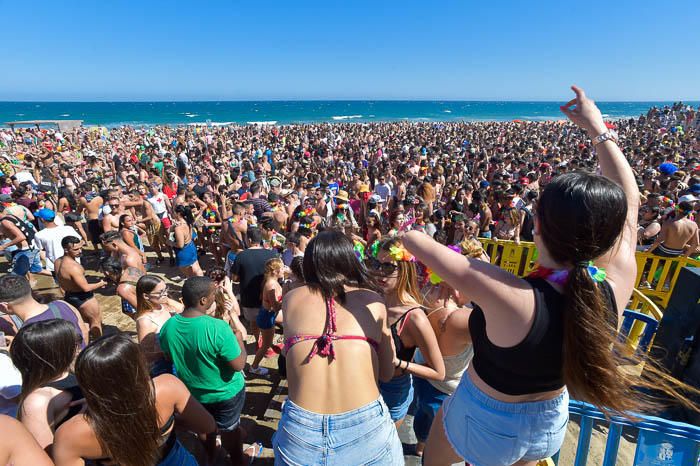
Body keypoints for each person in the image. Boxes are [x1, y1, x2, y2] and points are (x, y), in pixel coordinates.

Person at [402, 86, 650, 466]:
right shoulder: (614, 279)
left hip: (487, 417)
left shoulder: (515, 297)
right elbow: (629, 200)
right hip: (550, 418)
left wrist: (404, 233)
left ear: (537, 227)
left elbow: (427, 250)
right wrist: (598, 128)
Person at [274, 230, 402, 465]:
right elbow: (386, 373)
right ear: (351, 261)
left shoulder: (292, 298)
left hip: (301, 433)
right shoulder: (373, 301)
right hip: (367, 429)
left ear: (310, 264)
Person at [53, 333, 217, 466]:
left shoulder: (70, 434)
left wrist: (90, 410)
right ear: (137, 365)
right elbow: (207, 425)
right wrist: (168, 425)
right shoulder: (167, 387)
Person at [159, 277, 260, 465]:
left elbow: (168, 356)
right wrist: (239, 340)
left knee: (204, 428)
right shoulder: (218, 328)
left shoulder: (168, 327)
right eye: (213, 295)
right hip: (225, 393)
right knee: (230, 429)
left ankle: (211, 456)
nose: (216, 297)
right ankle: (238, 460)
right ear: (203, 301)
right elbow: (238, 365)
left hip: (194, 393)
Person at [369, 237, 445, 427]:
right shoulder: (375, 298)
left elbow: (438, 372)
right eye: (376, 264)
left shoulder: (414, 318)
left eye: (388, 268)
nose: (380, 273)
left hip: (391, 391)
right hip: (365, 382)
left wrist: (399, 363)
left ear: (404, 270)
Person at [10, 319, 82, 455]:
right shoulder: (81, 377)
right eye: (76, 342)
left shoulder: (37, 402)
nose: (78, 347)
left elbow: (43, 457)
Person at [0, 274, 88, 347]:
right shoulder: (64, 304)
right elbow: (84, 333)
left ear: (4, 306)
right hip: (82, 363)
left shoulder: (26, 334)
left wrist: (12, 350)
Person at [231, 227, 278, 343]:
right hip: (268, 296)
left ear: (249, 239)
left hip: (249, 297)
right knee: (269, 321)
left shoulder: (241, 256)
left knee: (253, 322)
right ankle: (268, 342)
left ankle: (258, 340)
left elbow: (235, 278)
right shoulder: (272, 254)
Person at [54, 236, 106, 340]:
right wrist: (101, 283)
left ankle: (85, 346)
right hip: (84, 298)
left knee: (83, 324)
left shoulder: (57, 262)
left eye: (80, 248)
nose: (80, 251)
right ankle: (100, 344)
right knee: (96, 322)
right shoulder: (73, 267)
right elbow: (86, 288)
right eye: (76, 249)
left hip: (69, 296)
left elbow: (60, 281)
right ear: (66, 249)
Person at [135, 275, 183, 377]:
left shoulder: (164, 304)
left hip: (178, 359)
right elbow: (146, 354)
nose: (165, 294)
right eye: (160, 292)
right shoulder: (145, 321)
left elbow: (183, 309)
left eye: (166, 289)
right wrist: (169, 352)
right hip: (164, 368)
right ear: (146, 296)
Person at [249, 257, 284, 376]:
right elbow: (275, 307)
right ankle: (254, 367)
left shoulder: (272, 281)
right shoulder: (271, 286)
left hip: (268, 315)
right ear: (275, 271)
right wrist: (288, 298)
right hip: (267, 318)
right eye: (282, 268)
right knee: (265, 346)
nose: (284, 270)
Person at [33, 208, 81, 276]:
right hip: (74, 264)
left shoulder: (39, 235)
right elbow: (80, 243)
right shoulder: (68, 228)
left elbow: (40, 251)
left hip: (56, 267)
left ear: (42, 219)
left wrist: (48, 262)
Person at [0, 202, 42, 278]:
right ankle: (57, 274)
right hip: (32, 246)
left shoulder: (5, 222)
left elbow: (21, 237)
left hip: (25, 250)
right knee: (36, 270)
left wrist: (4, 246)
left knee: (15, 277)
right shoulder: (10, 216)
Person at [169, 205, 203, 277]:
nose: (171, 213)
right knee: (197, 270)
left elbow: (180, 245)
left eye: (173, 212)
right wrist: (173, 226)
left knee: (190, 276)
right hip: (191, 247)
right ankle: (203, 283)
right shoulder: (188, 222)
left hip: (184, 252)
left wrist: (170, 242)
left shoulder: (178, 228)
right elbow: (190, 237)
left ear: (178, 214)